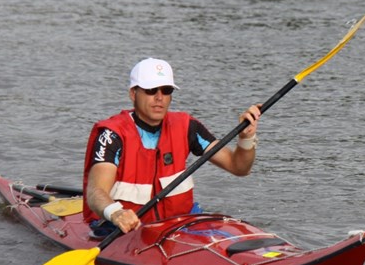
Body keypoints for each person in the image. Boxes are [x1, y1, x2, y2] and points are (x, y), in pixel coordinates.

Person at [82, 57, 261, 235]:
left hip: (178, 225)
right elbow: (95, 192)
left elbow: (239, 167)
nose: (159, 98)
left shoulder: (187, 127)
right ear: (133, 94)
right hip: (124, 230)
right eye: (151, 90)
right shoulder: (112, 135)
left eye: (166, 90)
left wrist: (246, 137)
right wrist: (116, 213)